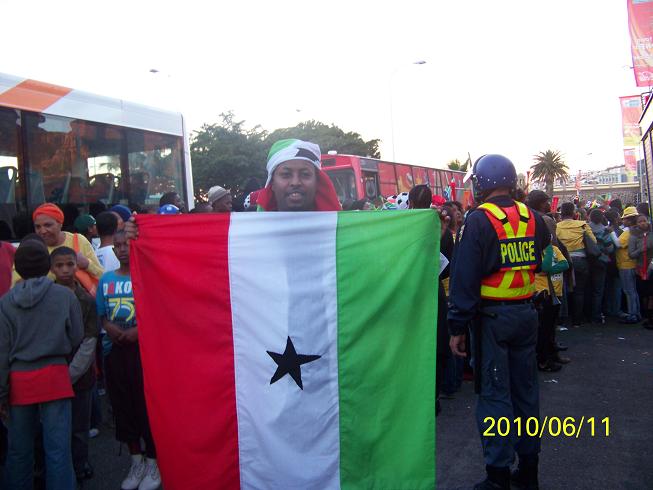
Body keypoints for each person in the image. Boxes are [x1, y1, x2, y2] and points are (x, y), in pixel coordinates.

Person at [448, 154, 550, 490]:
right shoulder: (533, 217)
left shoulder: (477, 221)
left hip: (493, 319)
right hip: (526, 315)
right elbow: (542, 253)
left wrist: (457, 327)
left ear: (481, 183)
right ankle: (529, 470)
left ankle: (498, 475)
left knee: (494, 396)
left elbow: (464, 278)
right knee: (526, 393)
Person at [0, 237, 83, 489]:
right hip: (55, 376)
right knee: (58, 450)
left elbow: (2, 352)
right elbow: (77, 335)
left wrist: (1, 392)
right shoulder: (64, 296)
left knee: (19, 450)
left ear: (18, 266)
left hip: (19, 380)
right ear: (48, 265)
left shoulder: (5, 303)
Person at [96, 231, 160, 490]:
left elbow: (157, 311)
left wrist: (138, 331)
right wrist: (109, 327)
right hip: (115, 353)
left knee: (147, 408)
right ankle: (137, 460)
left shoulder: (147, 276)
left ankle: (154, 462)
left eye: (127, 245)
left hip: (143, 353)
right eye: (118, 246)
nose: (122, 250)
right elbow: (101, 314)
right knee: (124, 408)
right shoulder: (106, 279)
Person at [51, 246, 98, 484]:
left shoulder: (85, 300)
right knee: (52, 427)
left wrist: (71, 374)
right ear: (51, 268)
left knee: (80, 425)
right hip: (52, 374)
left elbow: (90, 340)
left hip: (80, 376)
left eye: (70, 264)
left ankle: (80, 463)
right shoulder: (46, 298)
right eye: (59, 265)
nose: (65, 270)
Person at [12, 203, 104, 287]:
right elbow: (15, 283)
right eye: (38, 227)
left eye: (48, 225)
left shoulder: (78, 241)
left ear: (60, 224)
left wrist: (87, 264)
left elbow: (102, 276)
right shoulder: (30, 248)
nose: (42, 231)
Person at [556, 202, 597, 327]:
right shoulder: (583, 225)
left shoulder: (557, 226)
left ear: (561, 214)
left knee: (561, 291)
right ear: (574, 213)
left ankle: (562, 320)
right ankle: (577, 321)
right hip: (580, 260)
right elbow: (593, 241)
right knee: (579, 291)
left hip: (562, 260)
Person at [615, 207, 641, 323]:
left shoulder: (628, 232)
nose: (623, 221)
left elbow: (618, 244)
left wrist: (610, 232)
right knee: (633, 291)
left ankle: (632, 315)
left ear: (629, 220)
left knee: (629, 291)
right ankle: (637, 313)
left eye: (625, 219)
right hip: (632, 263)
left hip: (626, 264)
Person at [628, 214, 653, 328]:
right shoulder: (633, 236)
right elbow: (631, 254)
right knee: (644, 293)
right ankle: (645, 315)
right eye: (640, 222)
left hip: (651, 266)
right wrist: (641, 250)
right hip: (641, 268)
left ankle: (650, 317)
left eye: (644, 221)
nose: (643, 223)